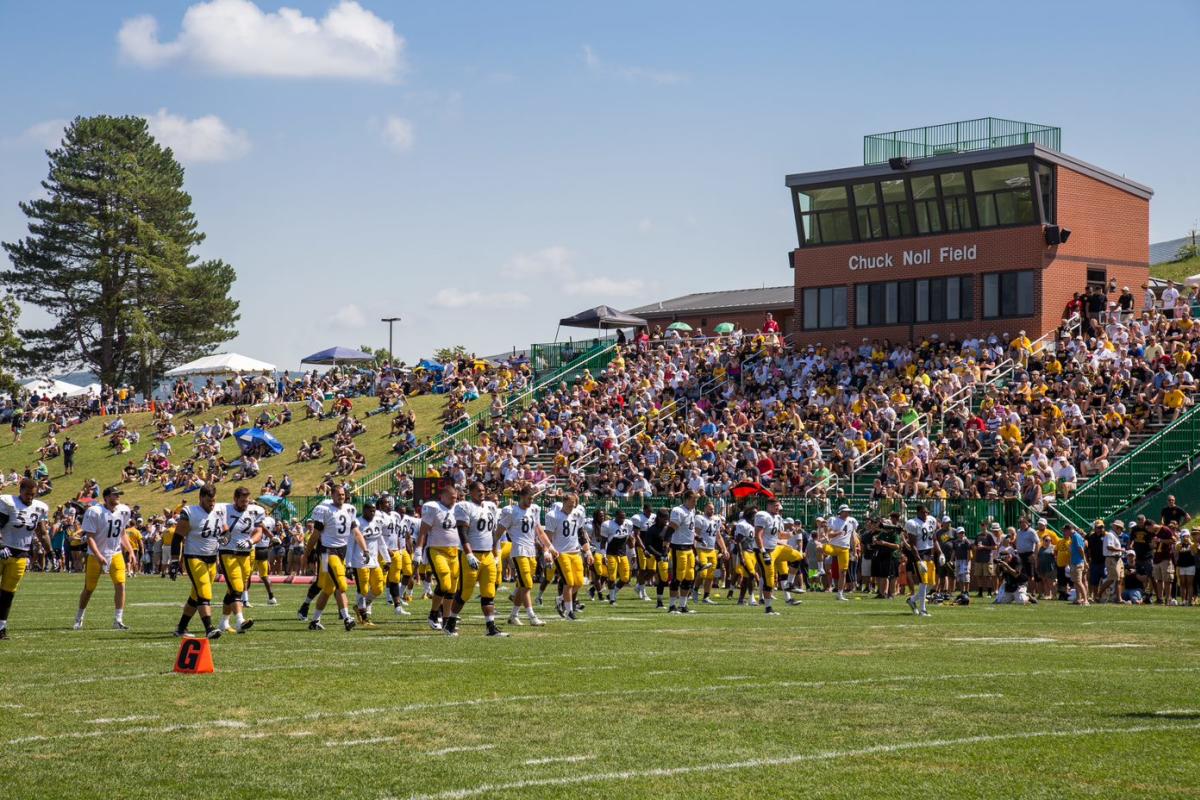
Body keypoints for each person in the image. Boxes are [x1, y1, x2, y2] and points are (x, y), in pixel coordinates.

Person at [450, 482, 506, 637]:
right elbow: (463, 532)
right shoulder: (464, 506)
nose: (482, 493)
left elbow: (493, 533)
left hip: (488, 554)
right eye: (478, 490)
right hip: (472, 553)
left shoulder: (490, 506)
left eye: (483, 490)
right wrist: (468, 554)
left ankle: (490, 627)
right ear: (471, 492)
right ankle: (450, 623)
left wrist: (495, 553)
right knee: (464, 593)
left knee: (489, 592)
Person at [307, 484, 367, 632]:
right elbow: (315, 534)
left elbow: (356, 532)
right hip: (327, 552)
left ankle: (314, 621)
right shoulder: (325, 510)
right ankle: (347, 618)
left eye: (343, 494)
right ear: (332, 495)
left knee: (328, 588)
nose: (341, 497)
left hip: (341, 552)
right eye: (338, 494)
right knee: (342, 584)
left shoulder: (349, 509)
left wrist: (365, 549)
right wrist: (307, 551)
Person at [73, 486, 133, 631]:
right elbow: (90, 538)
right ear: (106, 497)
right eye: (115, 494)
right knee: (89, 589)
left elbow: (122, 532)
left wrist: (130, 550)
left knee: (120, 584)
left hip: (115, 553)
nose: (118, 496)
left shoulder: (124, 510)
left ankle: (118, 620)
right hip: (95, 554)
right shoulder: (94, 511)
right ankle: (79, 618)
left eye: (119, 494)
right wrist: (99, 555)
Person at [172, 484, 227, 639]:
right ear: (201, 498)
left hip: (211, 559)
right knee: (204, 592)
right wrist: (175, 560)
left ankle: (181, 628)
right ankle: (209, 628)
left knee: (195, 596)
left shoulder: (219, 511)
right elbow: (177, 537)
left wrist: (225, 538)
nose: (212, 504)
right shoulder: (190, 512)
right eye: (209, 500)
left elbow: (225, 531)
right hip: (194, 557)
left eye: (214, 500)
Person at [0, 478, 51, 640]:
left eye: (33, 494)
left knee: (8, 594)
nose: (30, 497)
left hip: (20, 554)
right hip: (2, 550)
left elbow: (42, 533)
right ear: (20, 490)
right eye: (27, 494)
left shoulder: (40, 507)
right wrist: (1, 546)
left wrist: (50, 551)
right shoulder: (8, 502)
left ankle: (1, 628)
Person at [498, 483, 553, 626]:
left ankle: (513, 616)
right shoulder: (511, 511)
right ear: (521, 497)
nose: (531, 501)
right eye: (529, 498)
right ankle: (532, 616)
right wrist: (493, 547)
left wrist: (550, 547)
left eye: (532, 499)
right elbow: (499, 531)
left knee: (524, 586)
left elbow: (540, 532)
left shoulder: (533, 510)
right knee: (527, 584)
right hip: (519, 550)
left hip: (531, 551)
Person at [414, 482, 462, 634]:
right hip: (437, 550)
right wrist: (418, 550)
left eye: (456, 497)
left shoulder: (458, 508)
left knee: (452, 589)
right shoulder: (433, 507)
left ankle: (447, 620)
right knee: (445, 584)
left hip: (455, 551)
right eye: (451, 497)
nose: (454, 500)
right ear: (442, 496)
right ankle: (434, 614)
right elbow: (423, 531)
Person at [218, 487, 265, 634]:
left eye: (247, 501)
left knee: (233, 589)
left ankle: (223, 622)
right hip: (228, 552)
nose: (245, 504)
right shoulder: (223, 509)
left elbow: (258, 532)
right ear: (235, 499)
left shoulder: (255, 511)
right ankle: (240, 621)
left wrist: (250, 542)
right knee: (238, 587)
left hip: (245, 553)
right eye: (242, 501)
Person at [545, 493, 590, 621]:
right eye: (570, 504)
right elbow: (547, 536)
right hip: (560, 553)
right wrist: (547, 551)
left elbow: (581, 534)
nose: (573, 506)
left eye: (575, 503)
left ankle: (560, 599)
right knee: (569, 582)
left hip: (575, 552)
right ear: (564, 502)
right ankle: (569, 611)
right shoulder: (553, 515)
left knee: (579, 582)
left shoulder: (577, 514)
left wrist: (588, 552)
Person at [347, 501, 386, 629]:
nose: (373, 513)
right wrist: (348, 564)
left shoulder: (378, 522)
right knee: (362, 590)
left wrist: (387, 559)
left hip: (374, 561)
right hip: (360, 561)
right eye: (370, 510)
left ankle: (360, 607)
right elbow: (350, 544)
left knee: (379, 588)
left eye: (374, 510)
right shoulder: (357, 523)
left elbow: (381, 542)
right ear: (364, 510)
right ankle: (364, 617)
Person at [665, 491, 700, 614]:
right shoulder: (678, 511)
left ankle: (683, 606)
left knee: (689, 577)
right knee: (677, 577)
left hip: (689, 548)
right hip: (678, 548)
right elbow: (671, 528)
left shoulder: (691, 510)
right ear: (686, 499)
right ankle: (672, 606)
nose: (695, 503)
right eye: (693, 500)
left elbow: (688, 529)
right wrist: (666, 544)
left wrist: (696, 537)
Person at [904, 505, 937, 617]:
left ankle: (912, 600)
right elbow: (913, 544)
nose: (925, 514)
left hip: (929, 554)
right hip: (919, 554)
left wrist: (939, 553)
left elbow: (934, 539)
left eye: (927, 512)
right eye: (923, 512)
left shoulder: (932, 520)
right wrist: (919, 560)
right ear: (917, 512)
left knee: (931, 583)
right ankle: (923, 610)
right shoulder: (912, 523)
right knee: (923, 582)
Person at [753, 499, 785, 615]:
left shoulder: (777, 518)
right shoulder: (763, 515)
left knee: (797, 556)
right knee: (769, 578)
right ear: (769, 506)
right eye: (776, 506)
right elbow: (758, 535)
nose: (778, 508)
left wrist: (794, 533)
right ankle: (768, 608)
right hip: (763, 551)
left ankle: (790, 584)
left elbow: (780, 535)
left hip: (774, 549)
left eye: (778, 506)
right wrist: (763, 551)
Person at [694, 502, 727, 604]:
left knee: (710, 575)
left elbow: (718, 536)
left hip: (712, 549)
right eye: (709, 509)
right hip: (701, 549)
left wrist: (724, 549)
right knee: (703, 573)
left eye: (712, 509)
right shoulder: (700, 518)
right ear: (705, 509)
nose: (711, 511)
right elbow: (696, 534)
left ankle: (706, 597)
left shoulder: (716, 520)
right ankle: (694, 590)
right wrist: (694, 550)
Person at [825, 504, 857, 601]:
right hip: (833, 546)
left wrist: (854, 551)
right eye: (845, 511)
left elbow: (852, 537)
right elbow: (829, 535)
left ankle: (840, 593)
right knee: (818, 547)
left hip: (844, 549)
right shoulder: (834, 520)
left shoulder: (851, 521)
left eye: (848, 511)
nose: (848, 513)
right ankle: (819, 567)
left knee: (843, 572)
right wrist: (838, 533)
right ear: (841, 512)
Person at [602, 508, 634, 604]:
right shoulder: (607, 525)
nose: (622, 520)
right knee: (612, 577)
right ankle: (612, 599)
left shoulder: (628, 524)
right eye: (620, 518)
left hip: (622, 553)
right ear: (615, 517)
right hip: (611, 553)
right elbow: (603, 542)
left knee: (625, 577)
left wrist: (633, 553)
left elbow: (629, 540)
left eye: (623, 518)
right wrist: (604, 555)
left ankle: (612, 593)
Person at [1067, 523, 1089, 606]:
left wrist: (1085, 561)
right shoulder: (1073, 537)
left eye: (1065, 531)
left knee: (1079, 582)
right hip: (1074, 562)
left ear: (1069, 530)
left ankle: (1086, 600)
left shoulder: (1076, 536)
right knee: (1076, 582)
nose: (1064, 533)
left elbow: (1081, 549)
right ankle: (1078, 599)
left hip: (1078, 562)